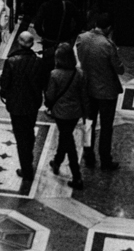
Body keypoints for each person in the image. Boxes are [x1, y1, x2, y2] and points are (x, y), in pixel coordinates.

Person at [74, 12, 124, 169]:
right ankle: (105, 159)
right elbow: (120, 69)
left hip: (87, 88)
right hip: (106, 91)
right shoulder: (107, 45)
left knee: (88, 124)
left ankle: (88, 156)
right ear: (109, 28)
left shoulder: (82, 38)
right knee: (106, 127)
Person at [0, 28, 45, 188]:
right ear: (32, 44)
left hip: (16, 105)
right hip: (32, 104)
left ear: (19, 42)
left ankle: (26, 169)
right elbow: (43, 83)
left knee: (20, 137)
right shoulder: (38, 62)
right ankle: (29, 161)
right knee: (29, 131)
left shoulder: (11, 61)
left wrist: (5, 93)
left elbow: (4, 84)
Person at [44, 43, 87, 190]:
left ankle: (77, 176)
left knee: (69, 142)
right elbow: (83, 95)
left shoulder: (55, 74)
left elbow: (50, 95)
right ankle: (57, 161)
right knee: (65, 136)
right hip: (75, 113)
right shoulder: (79, 73)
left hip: (61, 113)